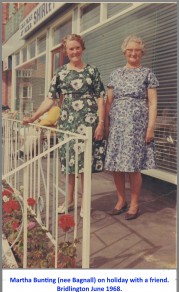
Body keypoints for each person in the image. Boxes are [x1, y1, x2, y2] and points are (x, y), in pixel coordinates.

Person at [23, 34, 105, 217]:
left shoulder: (93, 71)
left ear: (82, 48)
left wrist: (101, 124)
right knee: (69, 162)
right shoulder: (60, 72)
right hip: (68, 121)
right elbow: (51, 99)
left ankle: (85, 202)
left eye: (77, 47)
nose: (74, 51)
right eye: (71, 48)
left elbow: (101, 98)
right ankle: (68, 200)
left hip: (89, 121)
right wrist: (34, 116)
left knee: (84, 164)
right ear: (66, 51)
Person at [104, 35, 159, 220]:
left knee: (133, 166)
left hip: (137, 126)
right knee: (116, 166)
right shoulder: (115, 73)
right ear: (124, 52)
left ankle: (134, 204)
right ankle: (121, 201)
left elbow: (152, 102)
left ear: (142, 52)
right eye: (130, 50)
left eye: (137, 50)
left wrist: (150, 128)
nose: (133, 53)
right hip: (117, 126)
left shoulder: (147, 73)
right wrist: (105, 125)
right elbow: (109, 102)